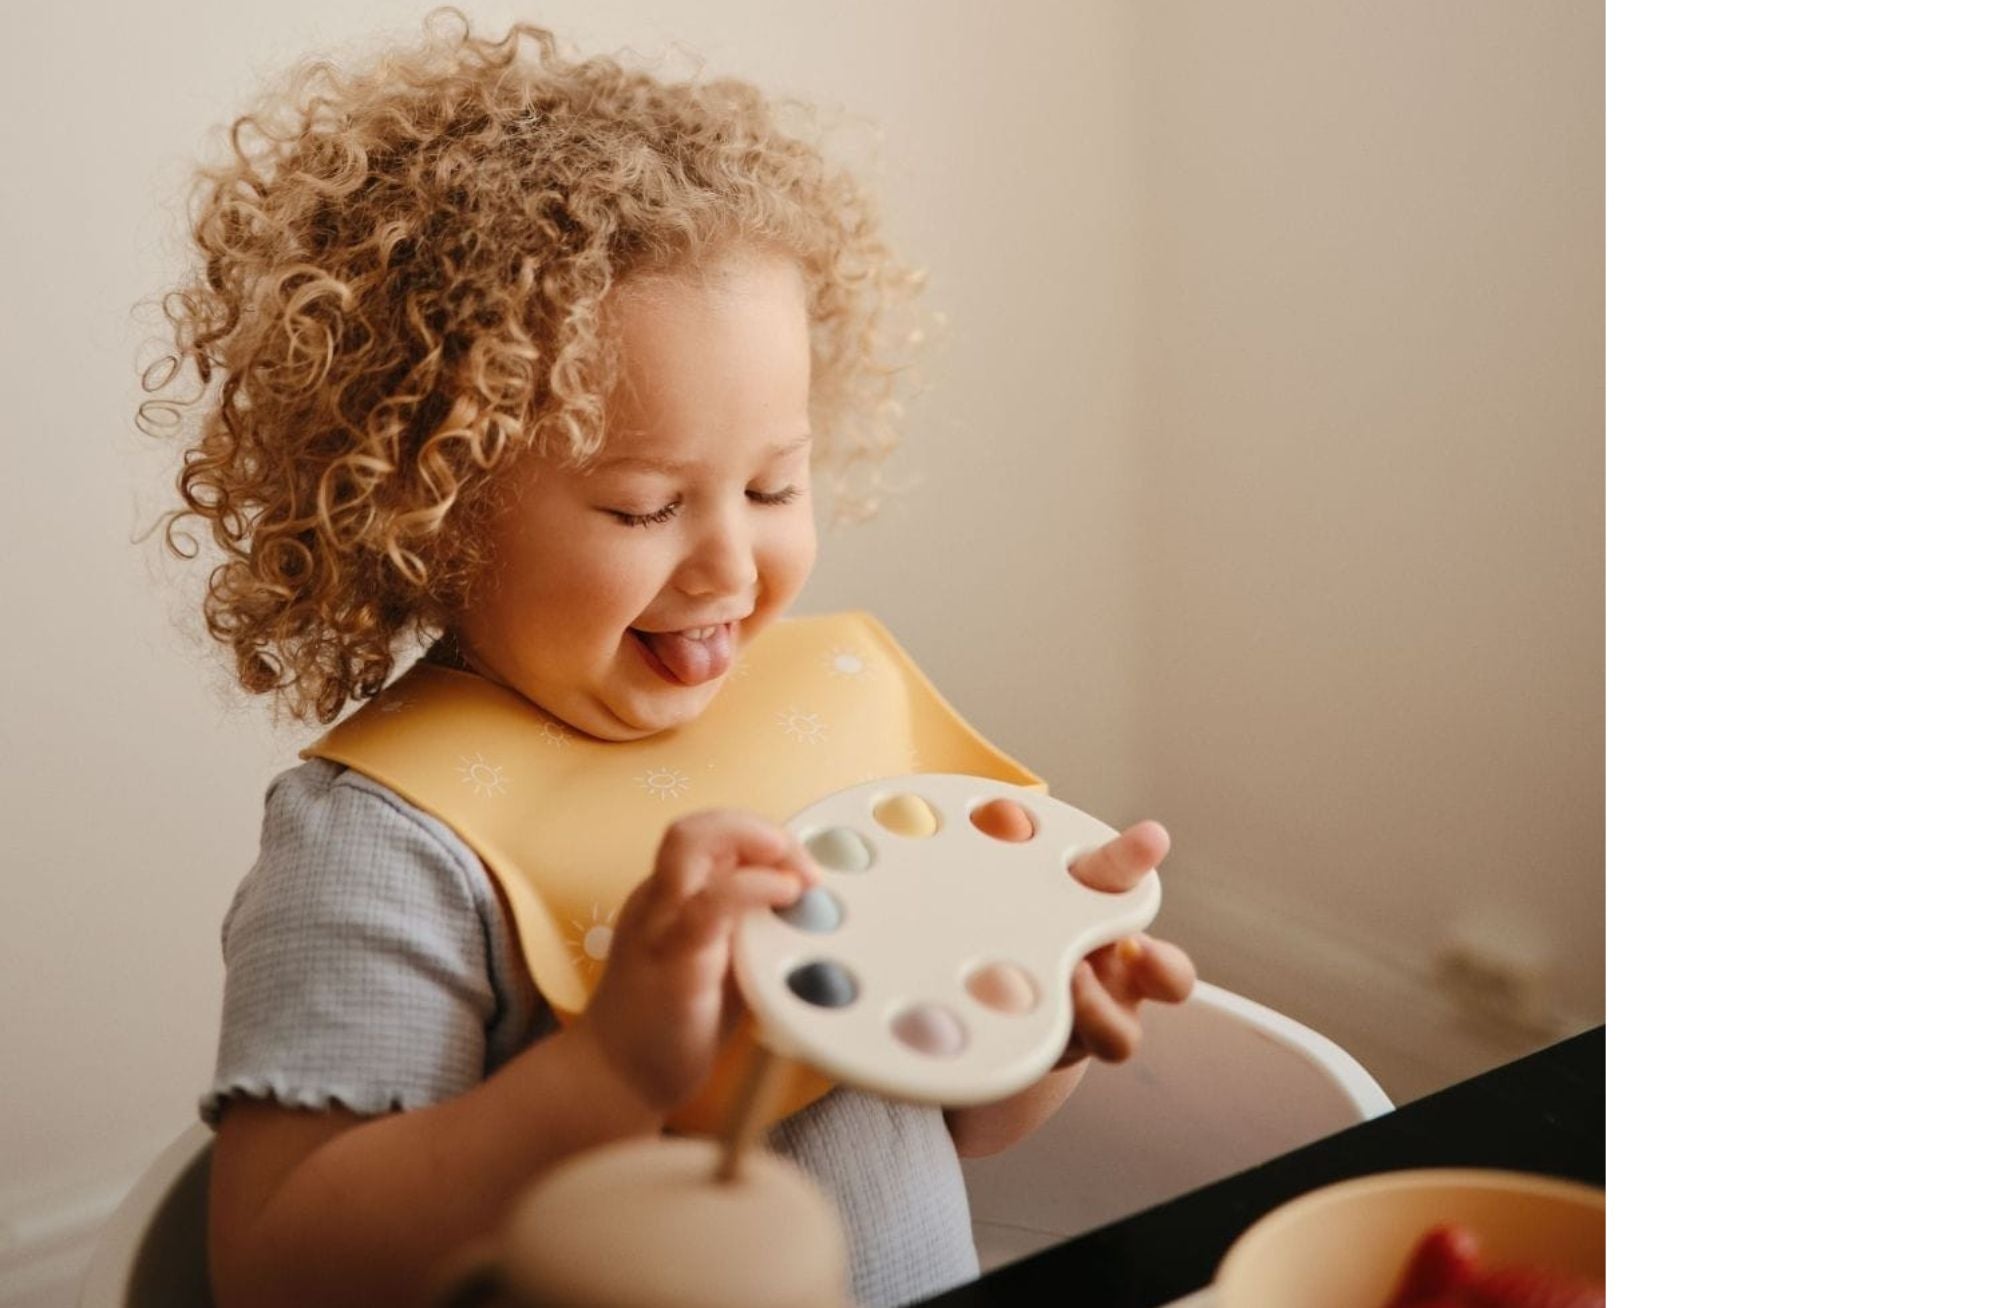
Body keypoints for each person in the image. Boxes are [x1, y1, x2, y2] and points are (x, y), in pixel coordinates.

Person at [140, 10, 1195, 1308]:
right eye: (645, 507)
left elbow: (953, 1130)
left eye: (774, 484)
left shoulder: (836, 725)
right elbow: (281, 1272)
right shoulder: (386, 848)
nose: (729, 569)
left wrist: (1038, 1012)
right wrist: (609, 1072)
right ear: (433, 503)